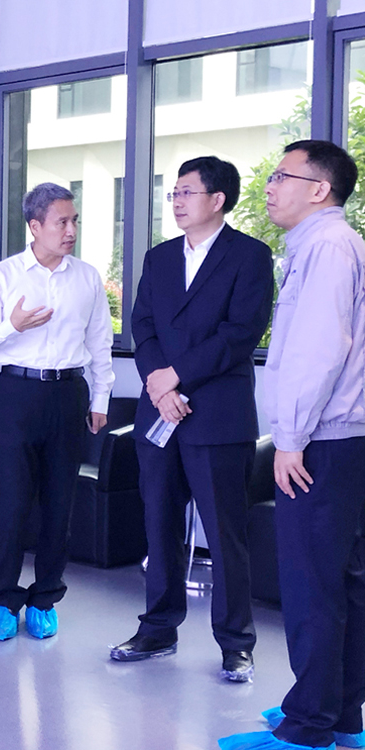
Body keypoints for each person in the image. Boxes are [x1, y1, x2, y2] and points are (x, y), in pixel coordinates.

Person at [219, 141, 365, 750]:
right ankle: (340, 716)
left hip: (322, 440)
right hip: (345, 440)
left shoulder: (327, 247)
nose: (270, 186)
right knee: (344, 581)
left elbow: (317, 351)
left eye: (282, 176)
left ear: (319, 189)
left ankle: (308, 728)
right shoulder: (329, 244)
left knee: (312, 586)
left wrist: (291, 438)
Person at [109, 157, 274, 682]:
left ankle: (236, 643)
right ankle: (158, 629)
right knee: (158, 525)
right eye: (174, 193)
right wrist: (160, 385)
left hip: (217, 416)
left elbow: (240, 333)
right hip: (160, 414)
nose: (176, 201)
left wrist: (175, 378)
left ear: (217, 199)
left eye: (186, 192)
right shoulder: (159, 258)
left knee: (225, 534)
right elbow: (142, 325)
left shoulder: (250, 256)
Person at [0, 182, 114, 641]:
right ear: (35, 226)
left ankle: (45, 598)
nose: (71, 231)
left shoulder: (87, 277)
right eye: (61, 222)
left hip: (68, 395)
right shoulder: (4, 276)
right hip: (16, 393)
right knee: (12, 503)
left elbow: (100, 342)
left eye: (74, 221)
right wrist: (12, 325)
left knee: (59, 503)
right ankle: (4, 600)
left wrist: (100, 399)